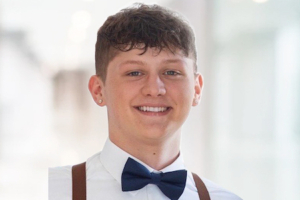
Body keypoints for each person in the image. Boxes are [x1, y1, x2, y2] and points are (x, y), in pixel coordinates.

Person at [49, 3, 242, 200]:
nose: (154, 89)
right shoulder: (54, 191)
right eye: (134, 73)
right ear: (99, 90)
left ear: (197, 89)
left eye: (171, 72)